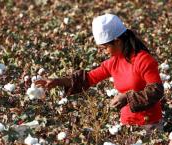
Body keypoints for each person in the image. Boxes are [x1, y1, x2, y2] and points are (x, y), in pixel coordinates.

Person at [35, 13, 164, 130]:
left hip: (150, 125)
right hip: (125, 125)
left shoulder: (143, 60)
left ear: (117, 41)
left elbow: (156, 90)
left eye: (105, 47)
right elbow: (88, 78)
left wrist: (127, 97)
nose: (103, 52)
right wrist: (57, 81)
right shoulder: (113, 62)